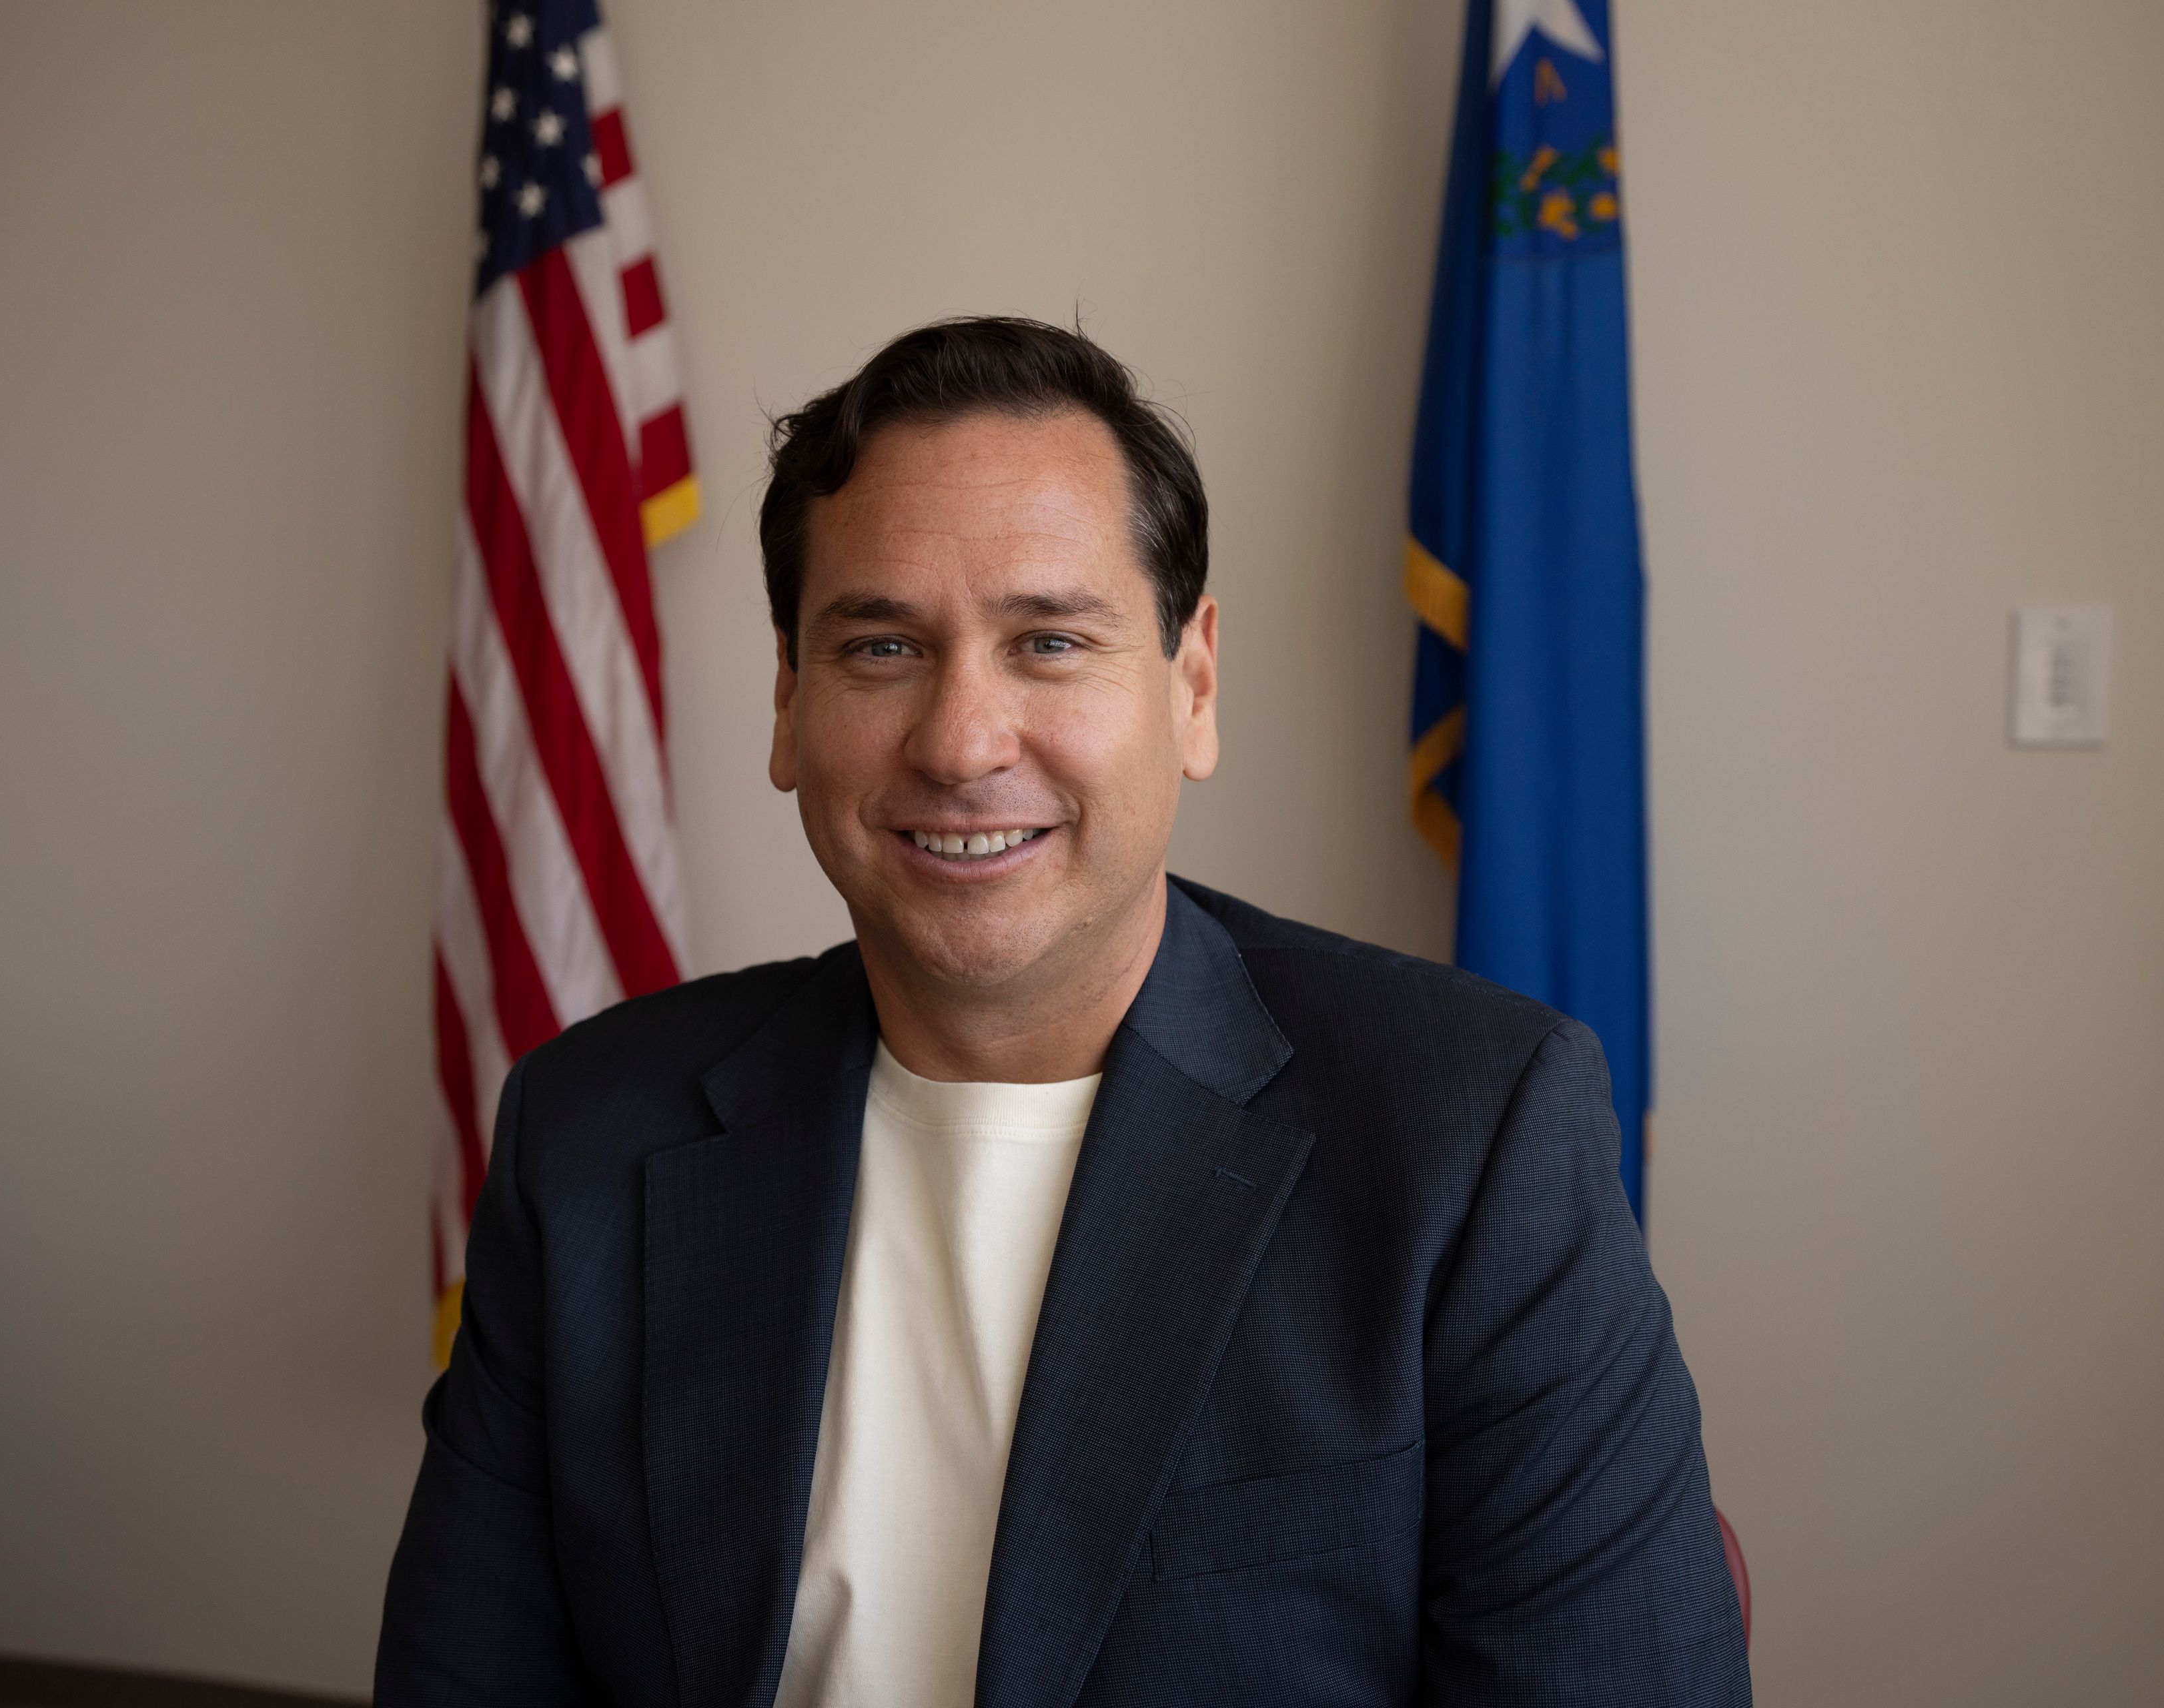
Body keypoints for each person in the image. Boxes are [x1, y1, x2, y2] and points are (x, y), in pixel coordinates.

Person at [376, 317, 1751, 1707]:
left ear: (1193, 683)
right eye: (881, 646)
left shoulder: (1472, 1134)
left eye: (1047, 640)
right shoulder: (589, 1134)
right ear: (789, 700)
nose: (963, 740)